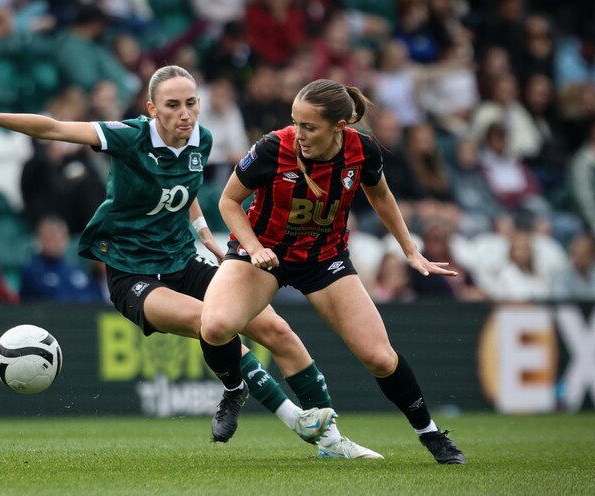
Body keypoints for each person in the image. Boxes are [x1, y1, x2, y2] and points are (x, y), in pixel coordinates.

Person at [0, 65, 381, 459]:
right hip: (132, 273)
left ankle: (332, 439)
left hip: (181, 261)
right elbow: (55, 127)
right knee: (210, 322)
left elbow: (182, 188)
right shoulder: (129, 136)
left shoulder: (201, 141)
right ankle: (284, 413)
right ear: (152, 109)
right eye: (172, 105)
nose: (184, 113)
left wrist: (204, 231)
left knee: (277, 330)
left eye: (191, 103)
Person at [198, 79, 466, 464]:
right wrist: (254, 248)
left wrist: (411, 250)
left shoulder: (363, 150)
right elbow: (228, 201)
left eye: (309, 127)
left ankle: (431, 434)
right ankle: (234, 388)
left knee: (380, 358)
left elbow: (381, 195)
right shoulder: (272, 147)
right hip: (264, 253)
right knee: (215, 326)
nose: (299, 134)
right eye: (295, 123)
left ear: (339, 127)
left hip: (325, 259)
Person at [19, 216, 103, 303]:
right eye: (49, 237)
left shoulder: (78, 270)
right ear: (39, 239)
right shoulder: (32, 271)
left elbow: (96, 299)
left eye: (59, 237)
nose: (55, 242)